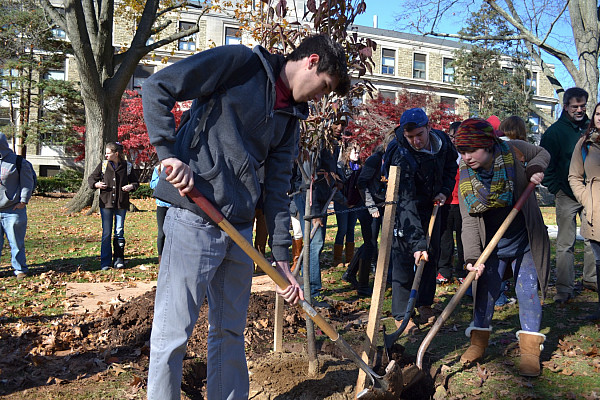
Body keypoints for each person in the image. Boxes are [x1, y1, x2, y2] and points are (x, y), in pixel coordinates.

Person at [142, 35, 350, 399]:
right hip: (195, 214)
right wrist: (168, 153)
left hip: (238, 228)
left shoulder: (291, 121)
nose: (320, 98)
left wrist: (283, 259)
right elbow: (158, 85)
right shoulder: (240, 65)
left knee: (230, 332)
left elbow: (277, 191)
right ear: (311, 62)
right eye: (324, 87)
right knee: (172, 333)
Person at [455, 118, 550, 377]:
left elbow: (542, 152)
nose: (466, 157)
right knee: (483, 291)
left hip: (525, 239)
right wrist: (472, 258)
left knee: (527, 290)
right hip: (491, 246)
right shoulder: (466, 178)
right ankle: (478, 343)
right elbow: (468, 221)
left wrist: (535, 168)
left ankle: (530, 351)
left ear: (488, 144)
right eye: (461, 151)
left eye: (471, 150)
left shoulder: (512, 150)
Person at [386, 108, 458, 332]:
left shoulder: (443, 142)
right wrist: (417, 244)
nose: (416, 141)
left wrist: (445, 191)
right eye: (410, 137)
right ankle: (401, 314)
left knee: (432, 255)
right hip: (403, 209)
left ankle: (424, 303)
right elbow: (405, 200)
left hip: (432, 205)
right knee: (406, 259)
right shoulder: (400, 153)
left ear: (429, 127)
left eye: (419, 135)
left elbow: (450, 167)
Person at [540, 87, 597, 302]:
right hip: (566, 194)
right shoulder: (554, 133)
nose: (580, 110)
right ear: (565, 107)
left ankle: (591, 279)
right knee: (565, 243)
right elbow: (545, 164)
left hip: (591, 194)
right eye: (575, 106)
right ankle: (564, 288)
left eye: (583, 106)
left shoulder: (593, 130)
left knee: (593, 240)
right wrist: (556, 188)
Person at [569, 101, 600, 320]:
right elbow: (574, 176)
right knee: (599, 262)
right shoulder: (585, 144)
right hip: (596, 211)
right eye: (598, 114)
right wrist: (586, 199)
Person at [87, 142, 139, 270]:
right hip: (106, 203)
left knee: (119, 231)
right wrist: (96, 185)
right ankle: (105, 262)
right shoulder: (103, 165)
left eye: (108, 153)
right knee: (106, 232)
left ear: (116, 153)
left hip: (121, 203)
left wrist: (131, 186)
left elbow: (135, 182)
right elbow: (91, 179)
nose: (106, 155)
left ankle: (119, 259)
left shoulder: (127, 166)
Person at [0, 133, 35, 280]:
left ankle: (20, 269)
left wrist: (23, 201)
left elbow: (28, 183)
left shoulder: (18, 162)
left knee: (16, 242)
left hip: (13, 210)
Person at [437, 121, 465, 283]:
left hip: (463, 203)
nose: (454, 140)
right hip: (445, 202)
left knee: (463, 239)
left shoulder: (468, 154)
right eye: (452, 136)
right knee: (445, 239)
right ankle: (444, 270)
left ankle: (462, 270)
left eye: (457, 137)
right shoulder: (444, 153)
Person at [332, 118, 357, 269]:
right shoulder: (340, 166)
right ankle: (336, 258)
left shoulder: (359, 167)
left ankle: (349, 258)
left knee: (351, 229)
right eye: (355, 151)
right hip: (342, 202)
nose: (358, 154)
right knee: (342, 229)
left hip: (354, 203)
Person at [150, 164, 170, 264]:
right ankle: (161, 257)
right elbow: (152, 184)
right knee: (161, 232)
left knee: (172, 233)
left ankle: (172, 256)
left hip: (173, 205)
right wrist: (163, 176)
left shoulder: (175, 167)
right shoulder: (157, 168)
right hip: (161, 204)